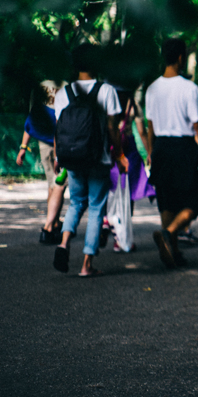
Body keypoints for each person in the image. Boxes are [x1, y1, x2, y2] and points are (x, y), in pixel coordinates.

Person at [144, 38, 198, 269]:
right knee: (191, 205)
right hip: (183, 149)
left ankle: (173, 251)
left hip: (161, 149)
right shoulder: (189, 88)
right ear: (180, 57)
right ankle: (168, 234)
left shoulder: (152, 88)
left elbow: (150, 126)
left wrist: (150, 152)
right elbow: (197, 125)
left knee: (167, 203)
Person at [51, 46, 127, 277]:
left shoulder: (64, 93)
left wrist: (58, 157)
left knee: (76, 203)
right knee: (96, 207)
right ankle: (86, 265)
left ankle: (63, 243)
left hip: (72, 158)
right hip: (98, 158)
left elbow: (59, 129)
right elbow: (113, 129)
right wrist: (120, 154)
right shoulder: (106, 91)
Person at [14, 80, 67, 244]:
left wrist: (23, 146)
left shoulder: (39, 84)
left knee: (52, 184)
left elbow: (32, 116)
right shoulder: (68, 85)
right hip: (62, 139)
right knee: (59, 184)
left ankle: (55, 222)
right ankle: (48, 227)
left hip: (43, 140)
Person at [105, 86, 155, 252]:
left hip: (111, 148)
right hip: (129, 150)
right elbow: (141, 131)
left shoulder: (106, 100)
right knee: (129, 194)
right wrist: (149, 153)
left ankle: (108, 220)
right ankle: (122, 239)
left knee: (111, 191)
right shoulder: (134, 105)